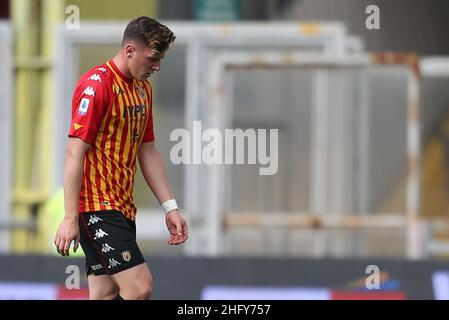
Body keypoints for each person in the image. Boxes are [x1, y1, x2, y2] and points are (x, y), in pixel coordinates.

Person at [53, 16, 188, 300]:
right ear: (130, 50)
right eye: (153, 58)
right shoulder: (97, 85)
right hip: (97, 209)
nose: (157, 66)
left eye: (160, 59)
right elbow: (74, 152)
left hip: (123, 208)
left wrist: (170, 206)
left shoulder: (142, 91)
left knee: (104, 293)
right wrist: (69, 217)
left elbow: (147, 150)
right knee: (140, 288)